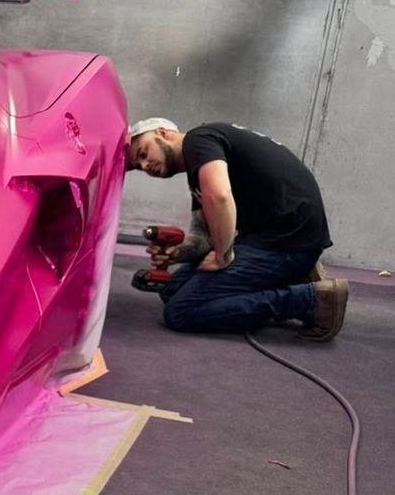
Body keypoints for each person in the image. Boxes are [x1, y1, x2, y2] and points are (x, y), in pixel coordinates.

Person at [124, 117, 347, 340]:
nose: (144, 166)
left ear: (163, 133)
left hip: (288, 242)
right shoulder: (200, 166)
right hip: (265, 239)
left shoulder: (198, 141)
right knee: (172, 291)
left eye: (143, 153)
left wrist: (223, 256)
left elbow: (220, 197)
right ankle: (290, 280)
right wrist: (177, 253)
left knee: (180, 313)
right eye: (138, 167)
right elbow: (205, 237)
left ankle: (312, 301)